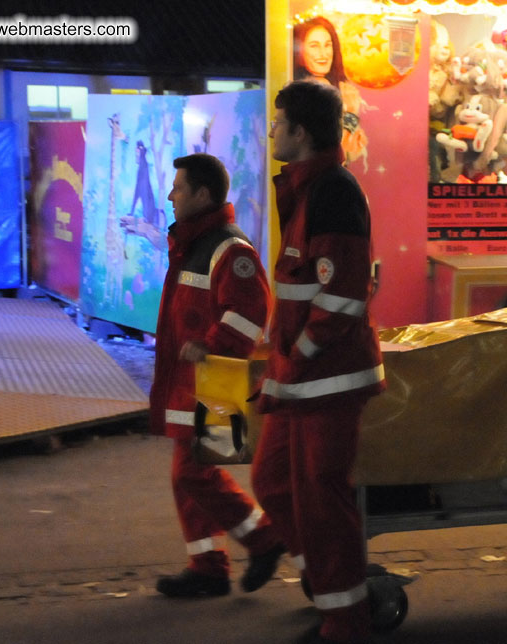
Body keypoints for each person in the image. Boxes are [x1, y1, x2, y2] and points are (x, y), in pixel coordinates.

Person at [252, 81, 385, 644]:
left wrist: (296, 359)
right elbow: (306, 290)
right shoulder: (309, 189)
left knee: (321, 502)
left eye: (278, 123)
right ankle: (327, 584)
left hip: (326, 380)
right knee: (272, 481)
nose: (272, 132)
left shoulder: (333, 191)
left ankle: (345, 621)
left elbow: (342, 300)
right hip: (302, 377)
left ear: (301, 133)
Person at [149, 153, 284, 598]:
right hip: (198, 379)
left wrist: (212, 346)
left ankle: (264, 538)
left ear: (202, 195)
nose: (171, 195)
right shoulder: (196, 243)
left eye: (179, 188)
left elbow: (251, 313)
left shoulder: (230, 249)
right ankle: (208, 567)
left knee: (194, 475)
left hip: (219, 379)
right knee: (186, 475)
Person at [293, 16, 368, 169]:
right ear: (300, 50)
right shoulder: (301, 94)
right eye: (314, 46)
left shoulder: (341, 89)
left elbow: (351, 152)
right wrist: (351, 114)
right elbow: (337, 153)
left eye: (328, 45)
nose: (323, 53)